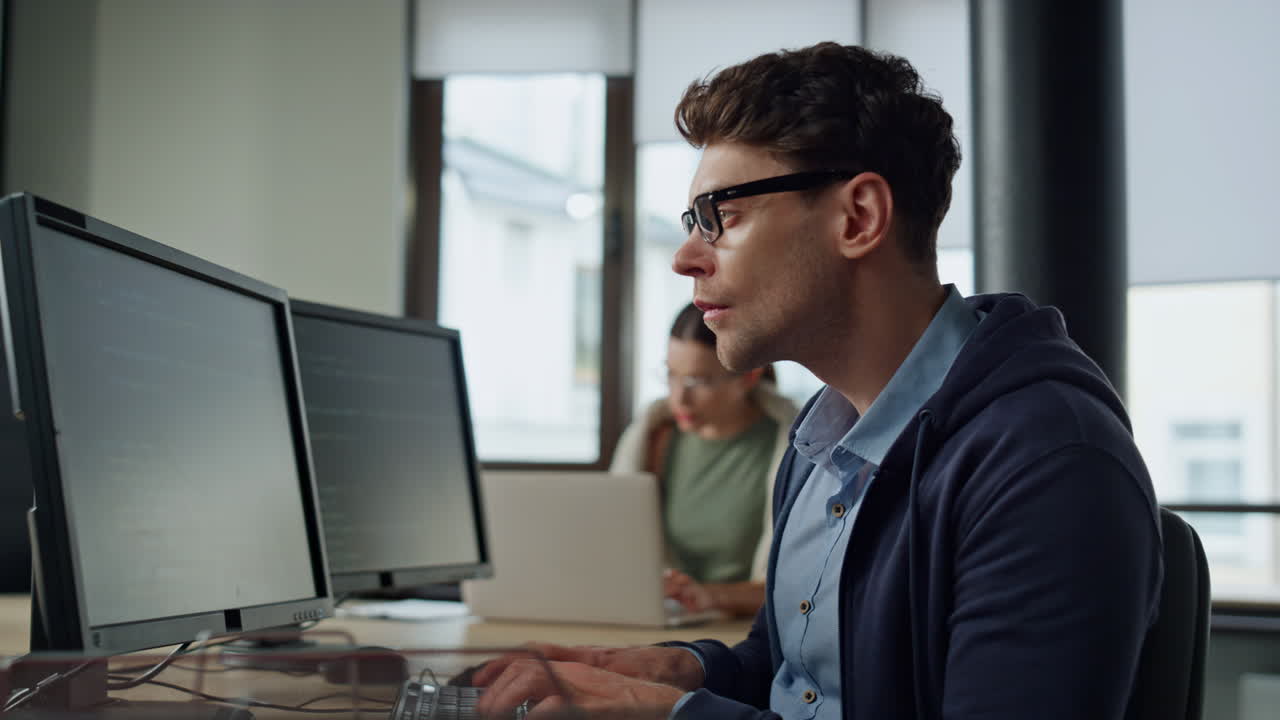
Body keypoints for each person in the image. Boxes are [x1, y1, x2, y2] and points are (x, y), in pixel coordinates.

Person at [474, 42, 1163, 720]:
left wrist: (664, 712)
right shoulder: (818, 441)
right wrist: (678, 667)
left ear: (857, 218)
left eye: (722, 217)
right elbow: (796, 674)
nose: (686, 258)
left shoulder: (1047, 462)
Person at [610, 302, 798, 618]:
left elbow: (803, 584)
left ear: (749, 377)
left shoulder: (800, 449)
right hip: (666, 624)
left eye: (698, 381)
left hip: (749, 635)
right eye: (671, 375)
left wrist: (712, 596)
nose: (679, 397)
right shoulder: (653, 438)